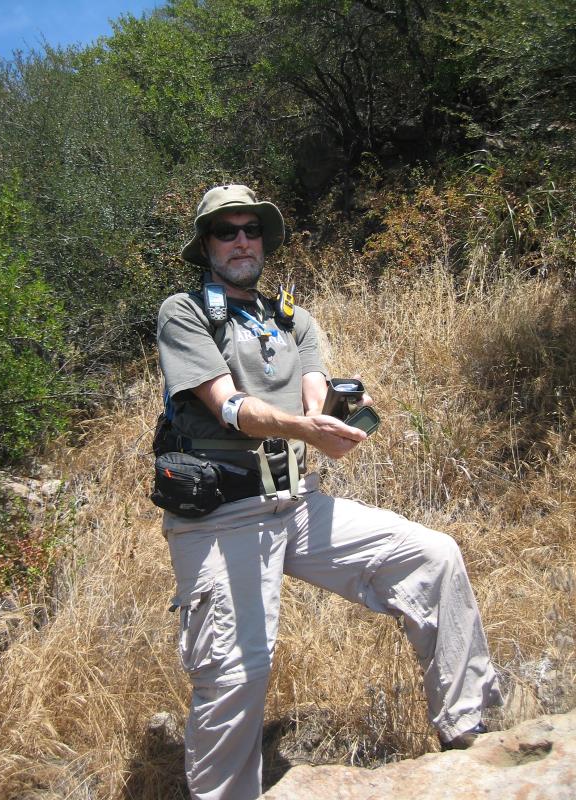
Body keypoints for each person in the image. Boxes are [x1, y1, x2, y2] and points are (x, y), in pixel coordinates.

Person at [157, 184, 503, 800]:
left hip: (296, 503)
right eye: (226, 232)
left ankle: (470, 735)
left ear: (265, 240)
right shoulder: (184, 313)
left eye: (252, 230)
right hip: (220, 517)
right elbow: (228, 406)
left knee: (434, 556)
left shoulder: (291, 317)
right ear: (206, 245)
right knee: (237, 674)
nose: (242, 241)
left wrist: (331, 416)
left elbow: (314, 387)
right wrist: (301, 428)